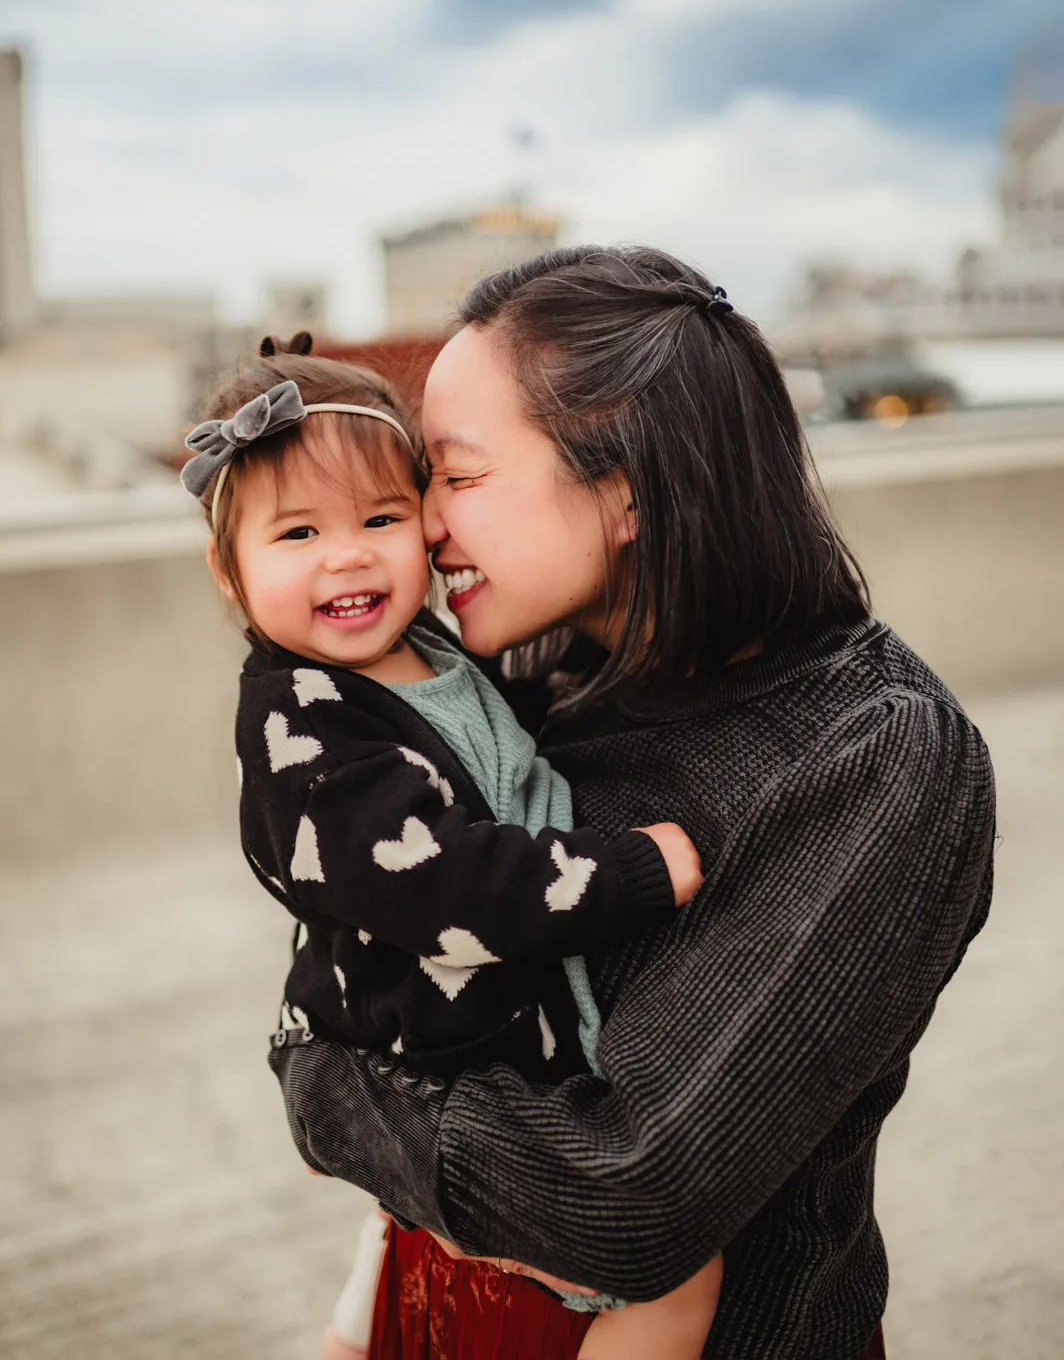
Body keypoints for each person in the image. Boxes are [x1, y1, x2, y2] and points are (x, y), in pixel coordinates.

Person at [269, 246, 996, 1360]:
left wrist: (331, 1089)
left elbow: (622, 1196)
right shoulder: (530, 677)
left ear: (625, 488)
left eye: (457, 479)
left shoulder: (873, 755)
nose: (421, 527)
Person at [181, 340, 722, 1359]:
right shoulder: (303, 727)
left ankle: (357, 1322)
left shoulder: (427, 648)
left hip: (448, 1044)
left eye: (381, 519)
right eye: (298, 532)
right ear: (229, 570)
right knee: (670, 1267)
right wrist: (635, 870)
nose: (348, 556)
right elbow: (446, 887)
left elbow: (505, 742)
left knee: (414, 1215)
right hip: (415, 1066)